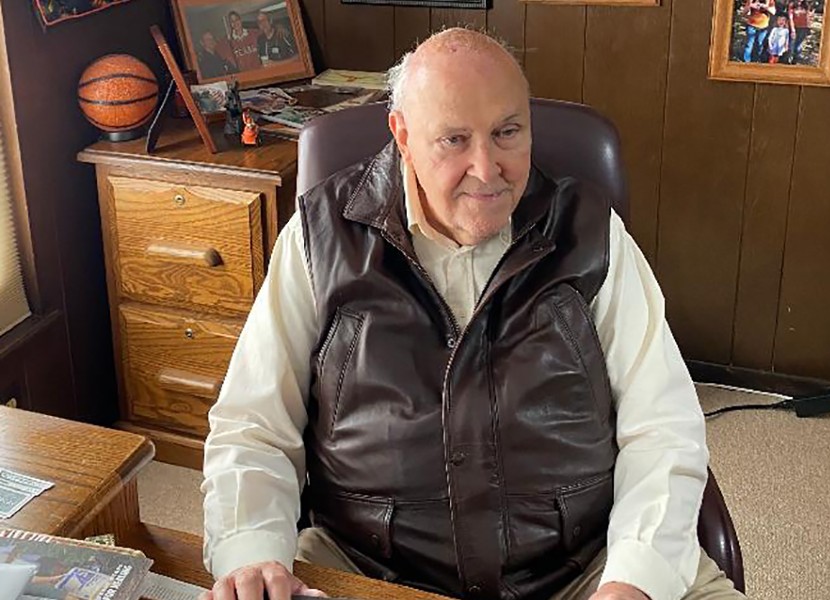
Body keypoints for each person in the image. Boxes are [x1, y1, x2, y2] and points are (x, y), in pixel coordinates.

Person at [201, 28, 745, 600]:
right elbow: (254, 423)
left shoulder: (590, 231)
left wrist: (635, 577)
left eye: (507, 133)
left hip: (585, 567)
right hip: (364, 569)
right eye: (454, 140)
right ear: (403, 136)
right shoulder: (320, 238)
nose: (487, 169)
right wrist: (253, 554)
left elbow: (662, 425)